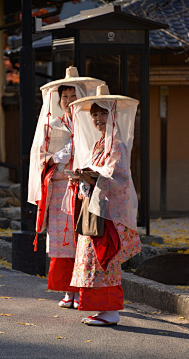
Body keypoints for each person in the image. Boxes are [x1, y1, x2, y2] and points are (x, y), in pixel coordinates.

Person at [28, 67, 104, 309]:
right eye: (65, 97)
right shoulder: (51, 125)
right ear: (59, 100)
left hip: (83, 188)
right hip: (60, 187)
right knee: (62, 240)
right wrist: (55, 158)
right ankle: (66, 291)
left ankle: (82, 291)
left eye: (74, 96)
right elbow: (39, 156)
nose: (70, 101)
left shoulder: (92, 124)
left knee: (82, 239)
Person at [64, 84, 141, 325]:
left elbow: (118, 179)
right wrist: (81, 176)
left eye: (103, 113)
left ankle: (111, 310)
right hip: (94, 209)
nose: (98, 119)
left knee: (103, 260)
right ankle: (101, 308)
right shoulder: (99, 145)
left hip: (107, 213)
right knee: (92, 260)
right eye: (95, 114)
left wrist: (91, 177)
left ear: (113, 115)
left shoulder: (117, 145)